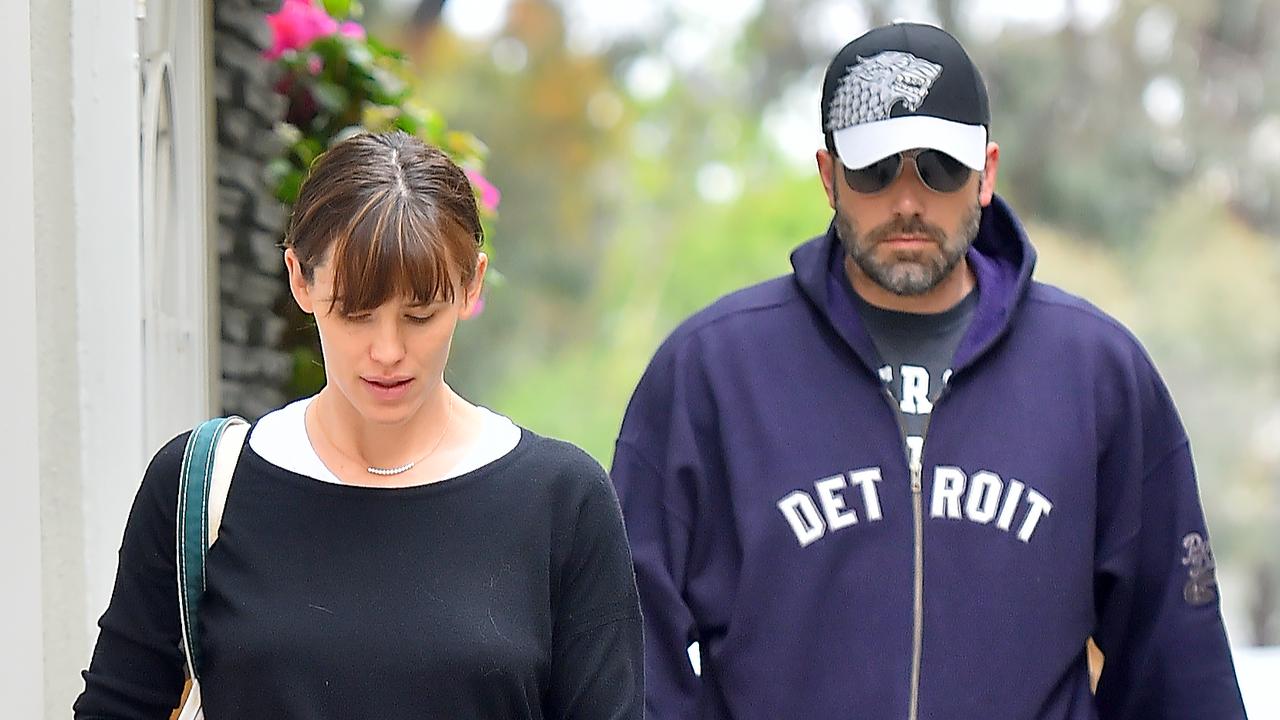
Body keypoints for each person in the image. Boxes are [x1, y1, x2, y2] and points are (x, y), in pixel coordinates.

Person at [611, 22, 1247, 720]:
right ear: (828, 176)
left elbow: (1177, 668)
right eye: (875, 170)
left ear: (986, 174)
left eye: (939, 167)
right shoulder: (712, 374)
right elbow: (628, 658)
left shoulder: (1095, 373)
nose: (908, 201)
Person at [75, 131, 643, 719]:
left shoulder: (562, 501)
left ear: (473, 285)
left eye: (420, 314)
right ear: (300, 279)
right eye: (355, 313)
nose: (388, 350)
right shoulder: (205, 485)